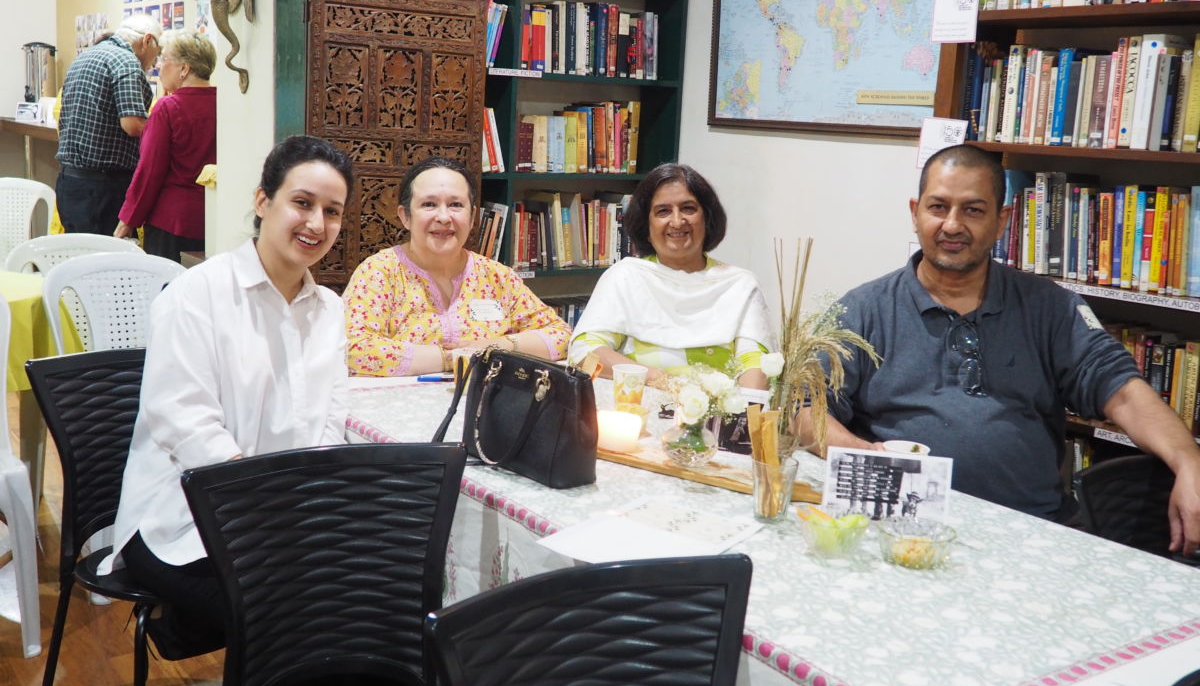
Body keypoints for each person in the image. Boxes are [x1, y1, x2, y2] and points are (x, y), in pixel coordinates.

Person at [798, 144, 1200, 554]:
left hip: (1031, 531)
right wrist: (868, 456)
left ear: (1002, 221)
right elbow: (804, 409)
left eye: (973, 210)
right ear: (915, 213)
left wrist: (1189, 462)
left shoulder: (1049, 307)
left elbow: (1124, 392)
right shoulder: (863, 309)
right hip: (902, 531)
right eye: (938, 207)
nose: (952, 225)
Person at [101, 134, 354, 659]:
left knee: (369, 597)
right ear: (263, 201)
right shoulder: (197, 294)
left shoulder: (329, 309)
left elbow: (330, 421)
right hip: (183, 519)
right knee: (306, 621)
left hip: (284, 521)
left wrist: (310, 510)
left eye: (332, 211)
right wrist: (266, 510)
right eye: (302, 203)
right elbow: (185, 423)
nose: (316, 223)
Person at [344, 156, 571, 375]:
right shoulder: (379, 272)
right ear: (405, 216)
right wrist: (451, 358)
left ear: (472, 218)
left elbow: (561, 336)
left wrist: (493, 347)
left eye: (456, 205)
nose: (444, 217)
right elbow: (353, 348)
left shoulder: (497, 277)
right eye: (429, 204)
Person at [568, 163, 773, 389]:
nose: (677, 221)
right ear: (646, 225)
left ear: (707, 218)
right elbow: (583, 355)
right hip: (639, 404)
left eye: (688, 209)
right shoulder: (625, 277)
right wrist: (664, 382)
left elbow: (755, 364)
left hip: (719, 409)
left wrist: (737, 408)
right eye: (663, 211)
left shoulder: (739, 285)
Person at [114, 30, 216, 263]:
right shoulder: (225, 103)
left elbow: (150, 171)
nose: (159, 67)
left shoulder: (168, 108)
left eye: (164, 59)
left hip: (172, 222)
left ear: (184, 68)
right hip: (213, 219)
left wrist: (127, 220)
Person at [55, 13, 161, 235]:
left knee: (78, 251)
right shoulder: (126, 62)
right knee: (106, 254)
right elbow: (133, 124)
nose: (155, 62)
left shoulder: (86, 56)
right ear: (147, 40)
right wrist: (163, 128)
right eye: (157, 53)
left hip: (69, 180)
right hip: (102, 188)